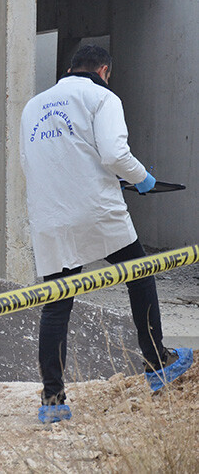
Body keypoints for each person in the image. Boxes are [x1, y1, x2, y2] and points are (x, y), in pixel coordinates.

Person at [20, 45, 193, 423]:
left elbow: (36, 160)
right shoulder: (103, 98)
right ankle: (157, 362)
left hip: (50, 217)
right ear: (103, 71)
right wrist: (142, 179)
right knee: (139, 274)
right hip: (96, 211)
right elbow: (114, 154)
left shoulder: (33, 106)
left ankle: (53, 400)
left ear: (69, 70)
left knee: (57, 302)